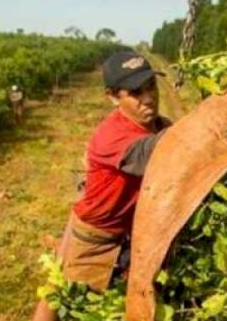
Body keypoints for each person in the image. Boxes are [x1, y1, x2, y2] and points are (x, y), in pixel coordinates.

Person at [59, 50, 171, 290]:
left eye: (151, 86)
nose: (149, 98)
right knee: (80, 307)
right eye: (136, 93)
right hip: (97, 241)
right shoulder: (112, 135)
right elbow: (158, 153)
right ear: (112, 97)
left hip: (131, 235)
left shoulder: (159, 126)